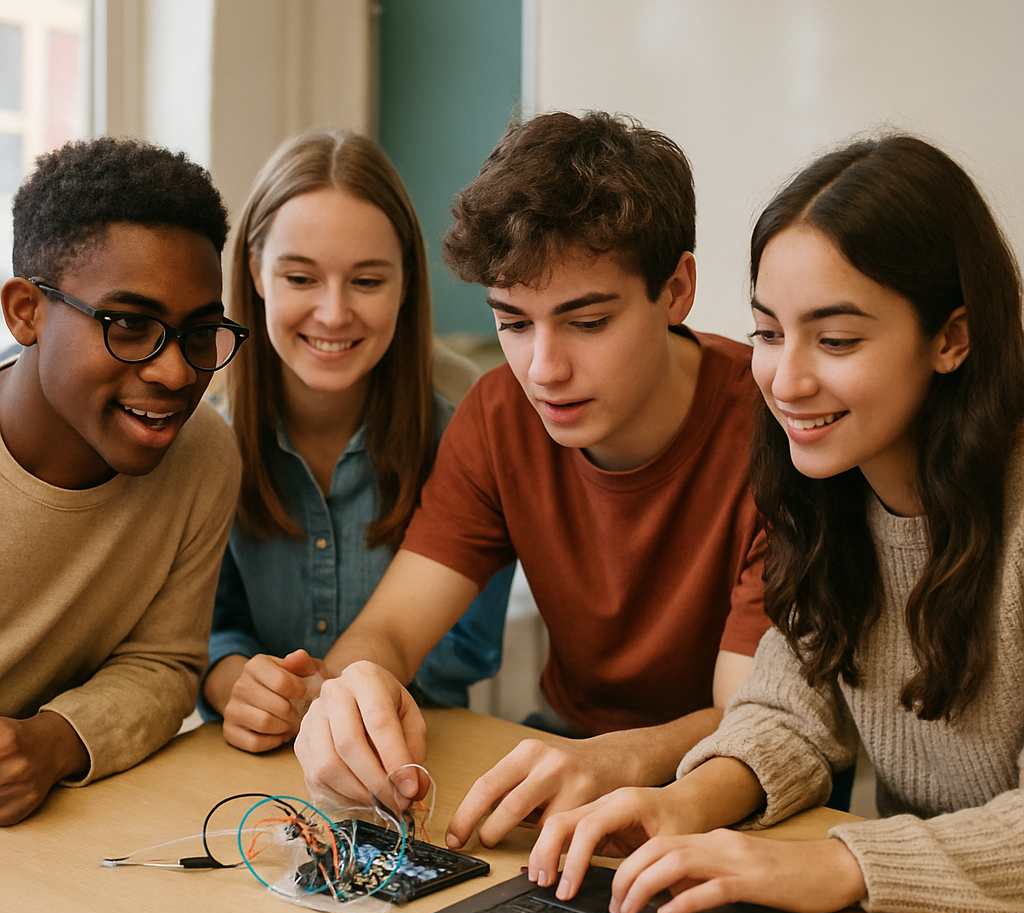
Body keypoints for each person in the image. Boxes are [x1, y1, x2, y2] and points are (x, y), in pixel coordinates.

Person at [528, 135, 1024, 913]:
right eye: (767, 332)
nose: (786, 382)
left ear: (951, 339)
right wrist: (680, 806)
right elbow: (789, 713)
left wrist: (838, 861)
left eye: (836, 340)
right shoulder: (828, 484)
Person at [295, 111, 771, 847]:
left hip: (749, 788)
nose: (543, 370)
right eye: (514, 323)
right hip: (569, 752)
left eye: (586, 322)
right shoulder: (498, 415)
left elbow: (752, 721)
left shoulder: (776, 430)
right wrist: (352, 692)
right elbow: (385, 632)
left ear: (676, 290)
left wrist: (624, 757)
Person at [199, 129, 512, 753]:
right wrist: (233, 681)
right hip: (252, 763)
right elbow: (205, 626)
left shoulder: (469, 424)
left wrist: (343, 697)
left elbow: (468, 645)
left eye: (367, 282)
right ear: (257, 273)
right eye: (301, 278)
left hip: (422, 750)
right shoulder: (208, 434)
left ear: (405, 284)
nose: (334, 313)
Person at [0, 137, 244, 825]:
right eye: (129, 325)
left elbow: (164, 665)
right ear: (26, 313)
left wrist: (50, 744)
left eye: (199, 333)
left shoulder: (203, 455)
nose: (175, 373)